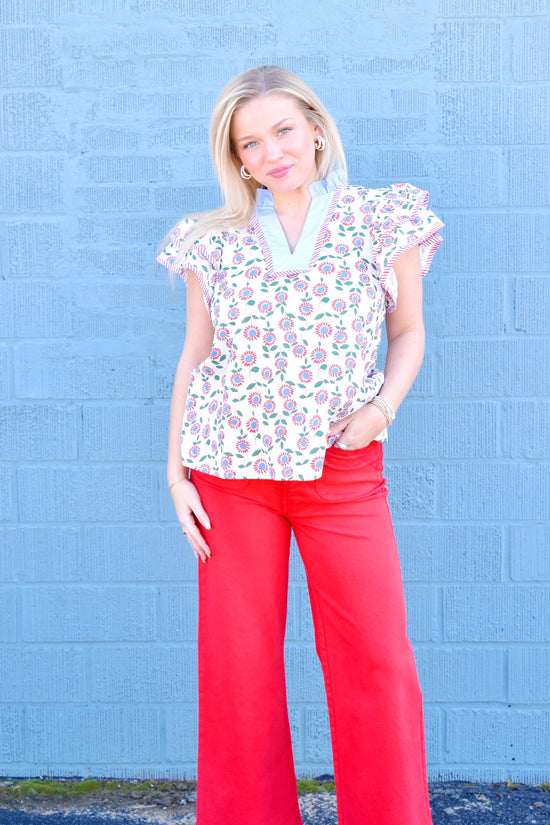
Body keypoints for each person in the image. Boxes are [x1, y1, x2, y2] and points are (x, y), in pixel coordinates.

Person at [156, 65, 444, 825]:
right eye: (251, 142)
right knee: (238, 671)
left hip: (342, 473)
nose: (271, 151)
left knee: (377, 661)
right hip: (228, 476)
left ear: (315, 126)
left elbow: (409, 331)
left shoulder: (385, 217)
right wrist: (176, 470)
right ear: (238, 159)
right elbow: (195, 353)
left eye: (283, 129)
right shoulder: (208, 241)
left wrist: (380, 409)